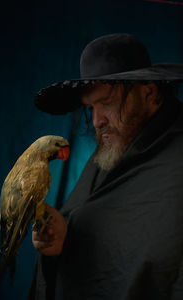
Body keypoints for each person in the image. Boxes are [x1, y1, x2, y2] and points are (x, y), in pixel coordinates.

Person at [29, 33, 183, 300]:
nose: (98, 120)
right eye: (91, 108)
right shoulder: (111, 150)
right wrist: (59, 238)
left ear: (148, 93)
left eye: (107, 103)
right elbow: (82, 224)